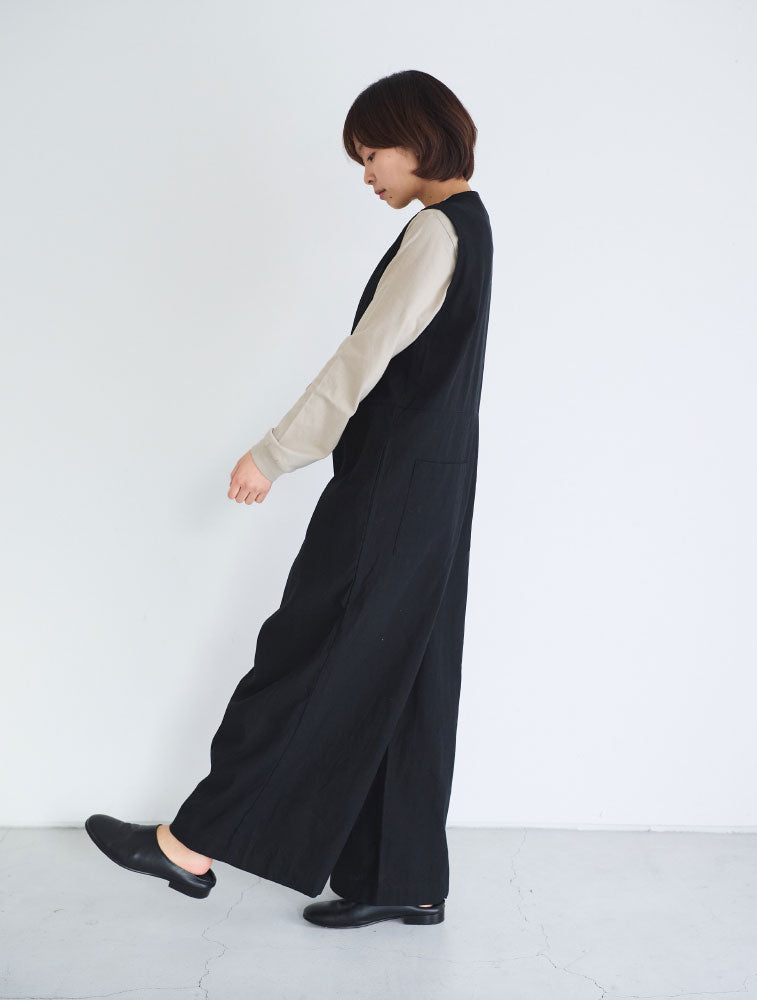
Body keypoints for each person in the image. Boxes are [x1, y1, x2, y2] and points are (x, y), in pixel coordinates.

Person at [85, 68, 494, 930]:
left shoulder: (435, 232)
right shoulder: (475, 224)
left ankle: (189, 845)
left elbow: (365, 356)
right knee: (414, 675)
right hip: (440, 486)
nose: (366, 172)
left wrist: (276, 453)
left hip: (393, 487)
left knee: (308, 655)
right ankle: (406, 878)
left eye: (373, 153)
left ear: (419, 139)